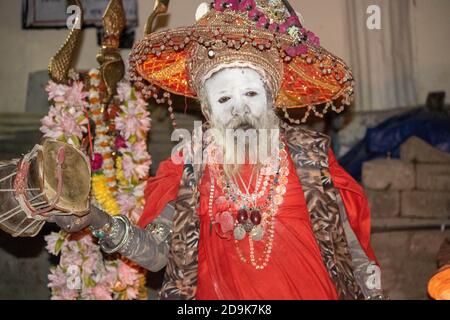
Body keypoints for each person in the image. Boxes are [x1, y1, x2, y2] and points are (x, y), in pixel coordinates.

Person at [54, 1, 385, 300]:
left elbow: (351, 251)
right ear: (208, 110)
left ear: (272, 98)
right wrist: (95, 219)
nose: (240, 110)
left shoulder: (309, 156)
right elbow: (156, 254)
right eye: (224, 99)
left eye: (251, 94)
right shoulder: (189, 167)